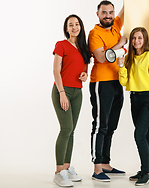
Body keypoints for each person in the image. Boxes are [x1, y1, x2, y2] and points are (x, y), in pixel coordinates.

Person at [88, 0, 129, 183]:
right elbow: (102, 58)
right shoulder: (95, 33)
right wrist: (120, 44)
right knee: (100, 125)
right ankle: (97, 168)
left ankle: (106, 162)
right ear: (98, 14)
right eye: (104, 13)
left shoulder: (116, 26)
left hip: (116, 83)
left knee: (111, 125)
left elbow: (128, 5)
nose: (108, 16)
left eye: (111, 12)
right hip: (101, 83)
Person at [117, 27, 149, 186]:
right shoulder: (129, 58)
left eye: (140, 38)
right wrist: (122, 67)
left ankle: (147, 170)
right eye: (134, 38)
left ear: (145, 40)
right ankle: (145, 170)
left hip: (147, 98)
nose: (136, 41)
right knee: (143, 135)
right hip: (134, 99)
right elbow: (124, 82)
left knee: (138, 134)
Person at [52, 14, 91, 187]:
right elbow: (56, 71)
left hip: (78, 92)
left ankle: (66, 168)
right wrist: (61, 93)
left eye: (77, 24)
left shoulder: (83, 47)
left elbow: (84, 68)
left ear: (80, 27)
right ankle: (58, 172)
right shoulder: (61, 45)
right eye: (70, 25)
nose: (74, 27)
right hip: (63, 90)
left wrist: (85, 75)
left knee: (72, 130)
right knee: (66, 128)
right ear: (66, 28)